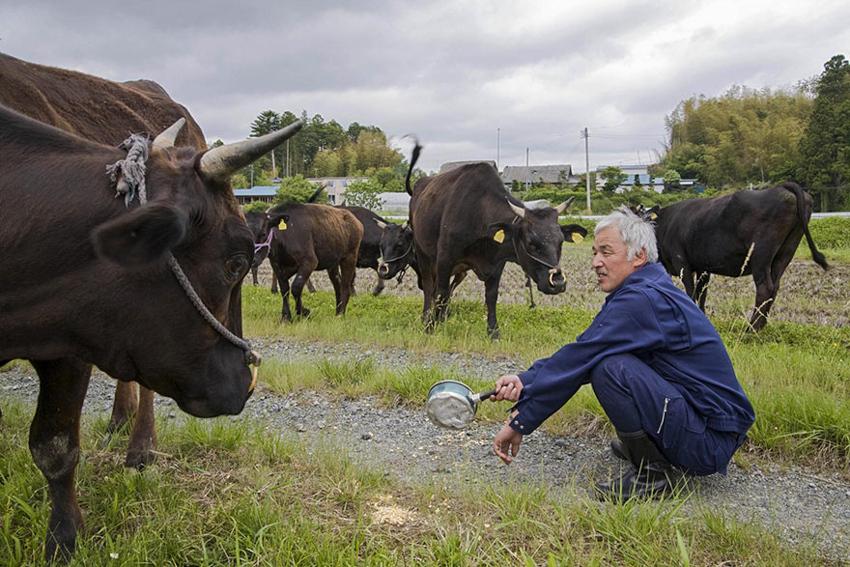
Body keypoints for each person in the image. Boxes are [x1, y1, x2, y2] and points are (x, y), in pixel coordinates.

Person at [491, 207, 755, 498]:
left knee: (609, 368)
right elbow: (585, 348)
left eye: (606, 252)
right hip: (707, 429)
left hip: (708, 442)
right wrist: (524, 380)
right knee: (607, 359)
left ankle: (652, 475)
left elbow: (584, 356)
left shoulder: (643, 300)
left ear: (639, 255)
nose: (595, 262)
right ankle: (649, 447)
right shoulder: (647, 287)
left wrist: (521, 419)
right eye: (594, 252)